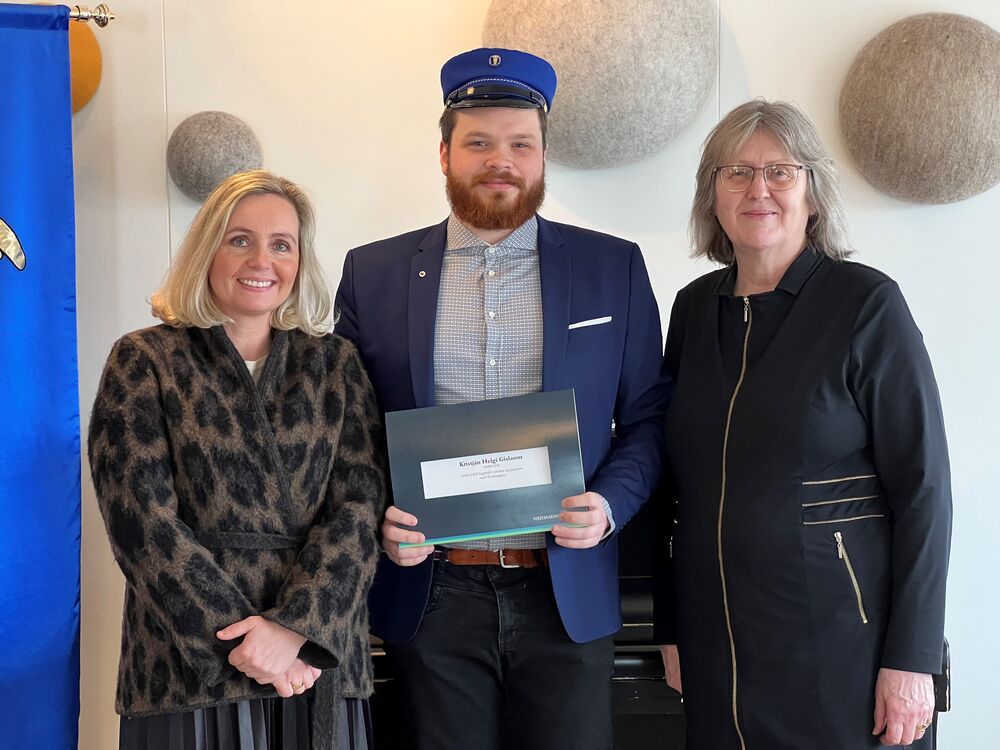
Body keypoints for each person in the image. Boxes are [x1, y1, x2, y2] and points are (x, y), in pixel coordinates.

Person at [333, 48, 668, 749]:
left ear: (543, 157)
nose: (500, 161)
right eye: (478, 143)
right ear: (445, 154)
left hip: (565, 589)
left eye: (520, 144)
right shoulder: (373, 273)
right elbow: (346, 435)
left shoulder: (613, 268)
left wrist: (609, 506)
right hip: (432, 592)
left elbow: (647, 420)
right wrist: (376, 519)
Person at [653, 99, 952, 748]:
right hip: (717, 647)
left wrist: (913, 658)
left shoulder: (866, 303)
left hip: (843, 645)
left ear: (812, 195)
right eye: (736, 172)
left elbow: (923, 489)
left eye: (780, 172)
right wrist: (669, 627)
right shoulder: (693, 311)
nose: (758, 189)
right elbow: (671, 487)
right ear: (712, 197)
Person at [88, 170, 385, 750]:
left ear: (300, 260)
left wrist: (294, 630)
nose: (261, 260)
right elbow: (140, 523)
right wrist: (246, 644)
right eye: (240, 239)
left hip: (313, 661)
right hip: (187, 666)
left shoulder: (336, 364)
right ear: (208, 248)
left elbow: (359, 510)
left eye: (282, 244)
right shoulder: (145, 359)